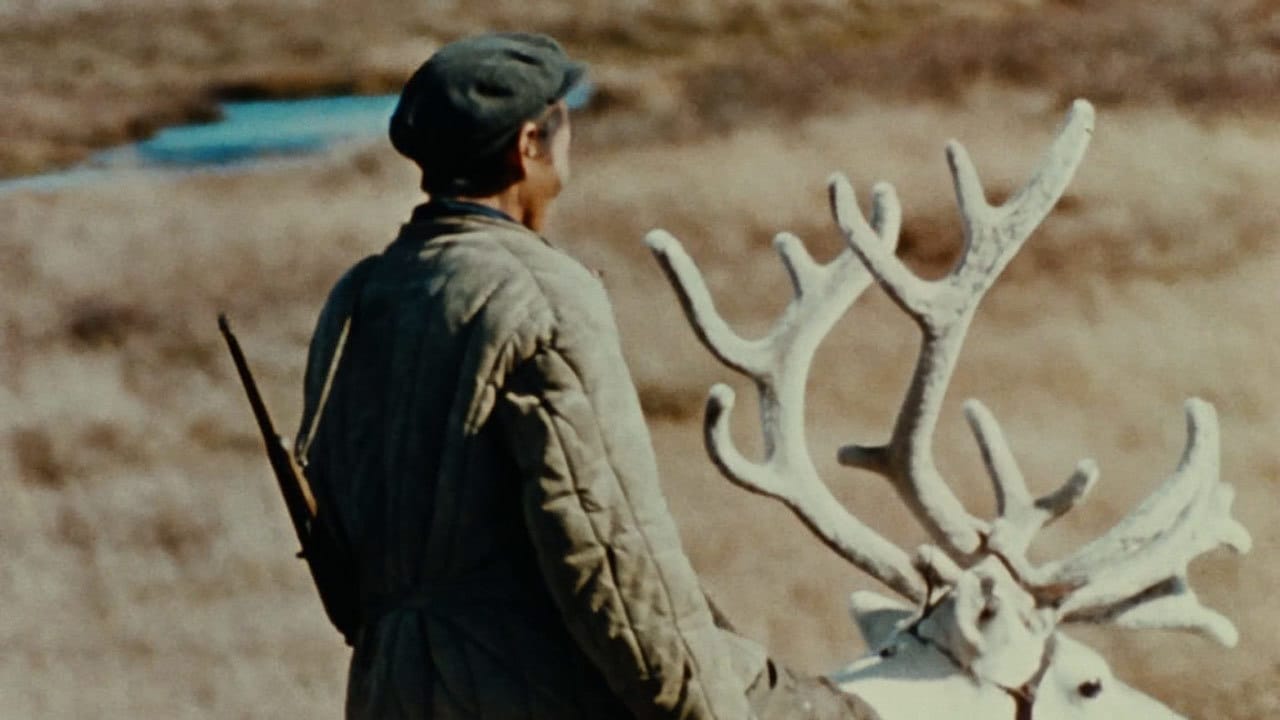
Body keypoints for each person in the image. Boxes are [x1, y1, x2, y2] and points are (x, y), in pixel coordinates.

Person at [296, 31, 880, 720]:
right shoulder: (541, 295)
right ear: (529, 145)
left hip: (385, 693)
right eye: (563, 119)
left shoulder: (361, 295)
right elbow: (609, 556)